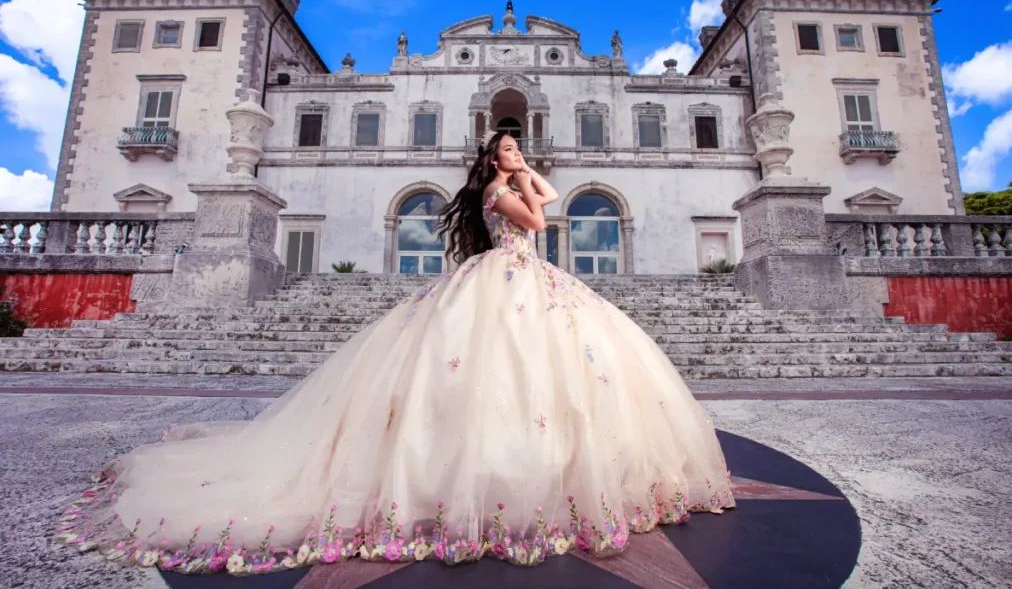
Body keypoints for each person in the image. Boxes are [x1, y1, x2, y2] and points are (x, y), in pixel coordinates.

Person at [57, 132, 734, 575]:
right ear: (490, 161)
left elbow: (551, 200)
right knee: (496, 370)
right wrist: (521, 179)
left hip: (532, 279)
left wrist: (530, 170)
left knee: (539, 377)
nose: (515, 152)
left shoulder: (515, 177)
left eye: (517, 144)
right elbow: (536, 220)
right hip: (506, 277)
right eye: (506, 147)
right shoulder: (497, 193)